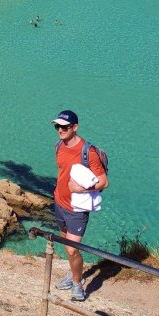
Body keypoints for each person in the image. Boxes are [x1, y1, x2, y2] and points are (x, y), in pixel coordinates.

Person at [51, 109, 107, 302]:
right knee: (66, 243)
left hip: (77, 209)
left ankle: (77, 283)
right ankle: (74, 272)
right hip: (59, 202)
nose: (60, 130)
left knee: (72, 249)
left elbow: (103, 182)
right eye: (58, 126)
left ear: (75, 127)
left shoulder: (88, 152)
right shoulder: (59, 145)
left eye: (65, 127)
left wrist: (81, 189)